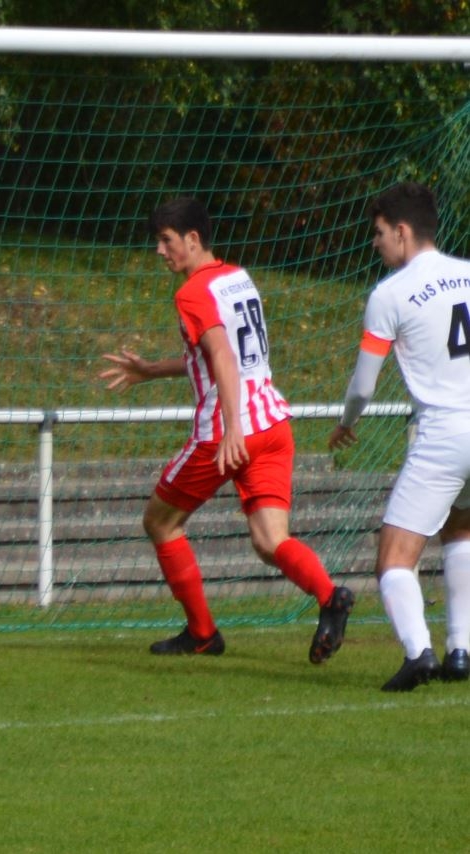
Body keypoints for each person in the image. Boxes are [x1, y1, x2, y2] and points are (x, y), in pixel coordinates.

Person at [99, 197, 352, 662]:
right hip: (272, 422)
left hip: (227, 431)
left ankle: (202, 634)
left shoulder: (191, 292)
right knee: (270, 541)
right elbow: (217, 354)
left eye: (166, 240)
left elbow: (221, 355)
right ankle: (330, 597)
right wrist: (151, 370)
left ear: (192, 239)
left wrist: (232, 427)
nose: (159, 251)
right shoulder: (238, 278)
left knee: (159, 522)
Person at [328, 182, 470, 691]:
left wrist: (347, 421)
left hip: (443, 432)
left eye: (379, 232)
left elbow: (364, 385)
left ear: (403, 231)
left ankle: (418, 654)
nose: (375, 243)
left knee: (392, 557)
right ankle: (461, 650)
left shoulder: (389, 294)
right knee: (461, 530)